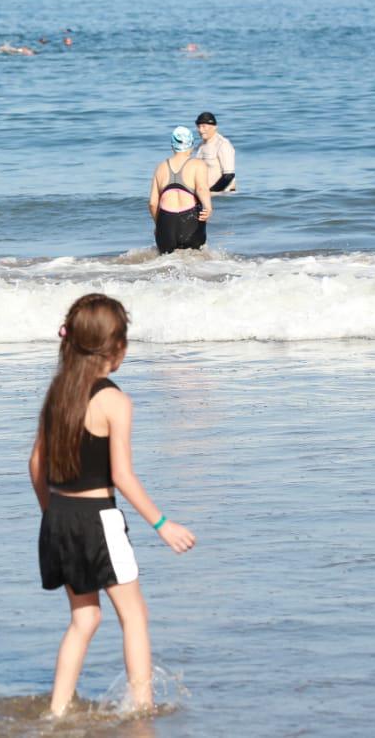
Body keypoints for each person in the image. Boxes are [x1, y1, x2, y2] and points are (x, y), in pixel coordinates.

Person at [29, 294, 195, 716]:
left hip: (59, 518)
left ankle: (58, 711)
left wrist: (51, 513)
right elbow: (121, 475)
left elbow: (35, 463)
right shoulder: (115, 402)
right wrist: (162, 524)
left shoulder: (58, 392)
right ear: (116, 348)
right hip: (97, 519)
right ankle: (142, 708)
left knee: (84, 619)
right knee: (134, 615)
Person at [150, 127, 212, 254]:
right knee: (196, 259)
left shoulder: (160, 167)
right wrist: (208, 207)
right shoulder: (197, 164)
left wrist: (159, 225)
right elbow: (202, 188)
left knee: (166, 264)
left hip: (166, 224)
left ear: (172, 146)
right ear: (191, 145)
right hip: (189, 222)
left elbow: (152, 203)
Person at [192, 112, 236, 192]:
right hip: (205, 196)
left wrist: (210, 192)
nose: (201, 130)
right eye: (198, 127)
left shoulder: (222, 144)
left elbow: (229, 175)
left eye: (204, 126)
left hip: (222, 196)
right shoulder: (200, 146)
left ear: (214, 127)